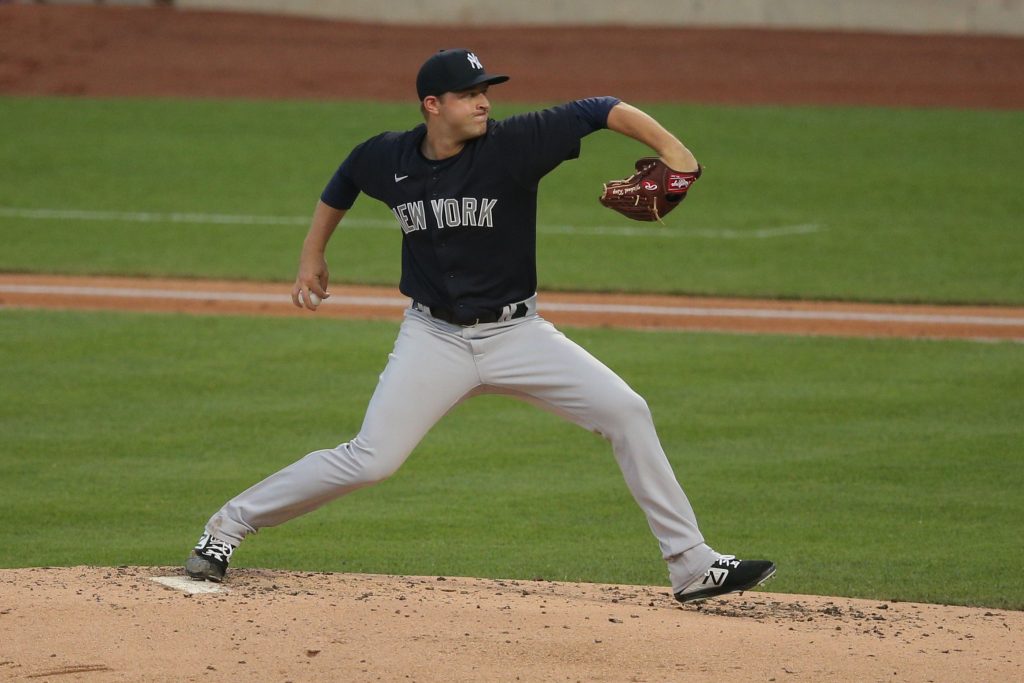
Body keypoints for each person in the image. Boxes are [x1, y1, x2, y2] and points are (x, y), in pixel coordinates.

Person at [185, 48, 775, 604]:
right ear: (432, 105)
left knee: (626, 411)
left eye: (486, 90)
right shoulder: (387, 157)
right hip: (432, 339)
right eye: (468, 93)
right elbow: (343, 180)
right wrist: (312, 254)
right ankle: (227, 526)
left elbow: (601, 109)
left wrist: (679, 157)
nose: (484, 101)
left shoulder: (514, 144)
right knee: (372, 460)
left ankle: (691, 563)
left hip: (519, 335)